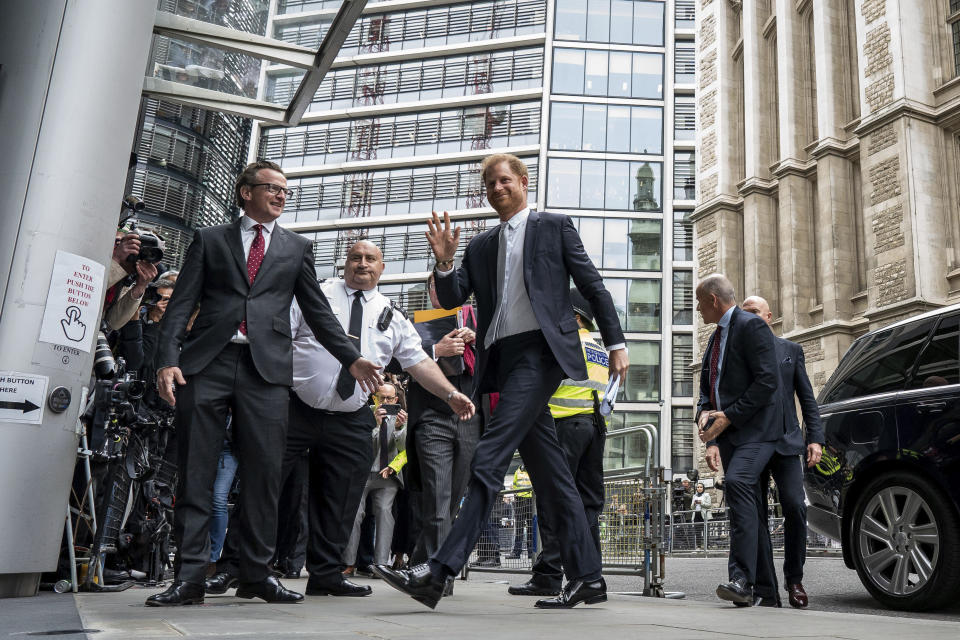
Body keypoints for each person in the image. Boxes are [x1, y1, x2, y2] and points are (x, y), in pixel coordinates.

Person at [374, 152, 628, 610]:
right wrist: (446, 263)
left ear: (524, 183)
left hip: (541, 353)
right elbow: (453, 297)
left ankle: (438, 569)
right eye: (489, 183)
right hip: (503, 361)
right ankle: (589, 577)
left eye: (504, 180)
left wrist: (616, 343)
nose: (496, 189)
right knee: (553, 479)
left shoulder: (554, 226)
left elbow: (594, 285)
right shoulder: (480, 245)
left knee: (489, 458)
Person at [147, 160, 383, 607]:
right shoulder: (210, 240)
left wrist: (351, 358)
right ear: (245, 192)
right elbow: (180, 305)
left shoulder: (297, 248)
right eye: (271, 188)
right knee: (196, 470)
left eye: (285, 191)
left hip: (268, 372)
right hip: (208, 363)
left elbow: (318, 311)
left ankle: (256, 574)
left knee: (264, 476)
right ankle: (190, 577)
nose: (279, 196)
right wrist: (167, 361)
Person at [207, 240, 474, 599]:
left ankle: (327, 573)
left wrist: (450, 393)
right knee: (262, 487)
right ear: (343, 262)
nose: (362, 264)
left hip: (350, 417)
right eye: (355, 257)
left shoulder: (391, 314)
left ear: (382, 269)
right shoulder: (313, 296)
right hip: (295, 408)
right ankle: (232, 565)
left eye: (370, 259)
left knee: (341, 499)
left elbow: (418, 362)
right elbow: (276, 339)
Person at [509, 289, 608, 597]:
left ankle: (549, 574)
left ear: (574, 317)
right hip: (594, 426)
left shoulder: (566, 343)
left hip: (563, 426)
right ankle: (592, 574)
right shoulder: (599, 348)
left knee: (555, 502)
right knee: (587, 503)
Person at [695, 273, 783, 608]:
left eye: (701, 303)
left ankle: (741, 579)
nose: (699, 310)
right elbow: (708, 386)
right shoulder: (715, 337)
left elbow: (767, 382)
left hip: (758, 433)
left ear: (714, 300)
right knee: (750, 510)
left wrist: (728, 416)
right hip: (729, 437)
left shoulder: (751, 326)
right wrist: (708, 423)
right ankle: (767, 592)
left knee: (738, 484)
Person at [741, 295, 825, 609]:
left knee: (795, 505)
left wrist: (814, 438)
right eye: (744, 313)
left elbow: (808, 398)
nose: (748, 318)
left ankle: (794, 578)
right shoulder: (738, 353)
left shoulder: (791, 351)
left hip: (788, 443)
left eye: (754, 313)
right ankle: (767, 588)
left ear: (769, 317)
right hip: (751, 444)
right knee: (756, 515)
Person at [407, 272, 481, 568]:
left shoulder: (478, 323)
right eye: (437, 287)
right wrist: (436, 351)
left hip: (470, 421)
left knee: (451, 504)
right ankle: (439, 577)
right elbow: (395, 362)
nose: (444, 291)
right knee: (437, 500)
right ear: (430, 293)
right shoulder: (413, 328)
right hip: (432, 418)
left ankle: (419, 565)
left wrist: (479, 342)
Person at [343, 383, 408, 571]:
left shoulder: (403, 418)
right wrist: (376, 425)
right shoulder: (365, 415)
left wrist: (398, 429)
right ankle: (349, 563)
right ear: (374, 398)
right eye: (382, 398)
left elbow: (405, 451)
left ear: (396, 400)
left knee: (384, 514)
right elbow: (359, 444)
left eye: (390, 399)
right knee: (354, 515)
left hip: (387, 474)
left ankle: (380, 565)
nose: (385, 402)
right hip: (363, 472)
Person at [507, 464, 535, 559]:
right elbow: (515, 486)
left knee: (531, 527)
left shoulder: (533, 468)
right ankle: (516, 552)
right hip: (519, 500)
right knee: (519, 527)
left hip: (531, 500)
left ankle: (531, 552)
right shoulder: (517, 472)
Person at [690, 482, 712, 550]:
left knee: (705, 531)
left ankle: (707, 546)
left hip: (704, 515)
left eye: (701, 487)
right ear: (696, 488)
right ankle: (698, 546)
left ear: (703, 488)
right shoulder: (694, 496)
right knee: (697, 532)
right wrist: (694, 503)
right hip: (696, 514)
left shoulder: (706, 495)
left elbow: (709, 505)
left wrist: (701, 503)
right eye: (698, 487)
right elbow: (691, 507)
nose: (699, 488)